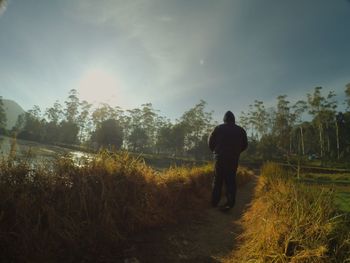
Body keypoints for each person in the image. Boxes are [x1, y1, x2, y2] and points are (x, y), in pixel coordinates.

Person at [208, 111, 248, 211]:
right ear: (234, 120)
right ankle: (230, 203)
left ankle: (214, 202)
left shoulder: (218, 128)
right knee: (231, 180)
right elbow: (245, 145)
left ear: (224, 119)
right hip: (233, 159)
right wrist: (236, 152)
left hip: (219, 158)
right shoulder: (241, 130)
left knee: (218, 180)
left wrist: (215, 152)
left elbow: (210, 142)